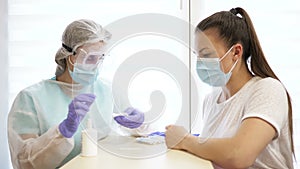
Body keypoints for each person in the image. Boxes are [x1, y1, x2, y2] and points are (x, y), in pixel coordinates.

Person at [165, 7, 294, 169]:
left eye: (206, 54)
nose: (200, 63)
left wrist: (184, 139)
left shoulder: (267, 89)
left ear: (236, 52)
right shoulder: (211, 100)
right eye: (197, 55)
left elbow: (239, 156)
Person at [7, 19, 144, 169]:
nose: (96, 66)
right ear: (70, 56)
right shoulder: (30, 98)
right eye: (91, 58)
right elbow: (24, 162)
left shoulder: (106, 90)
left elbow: (135, 133)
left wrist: (138, 123)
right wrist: (62, 132)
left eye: (101, 58)